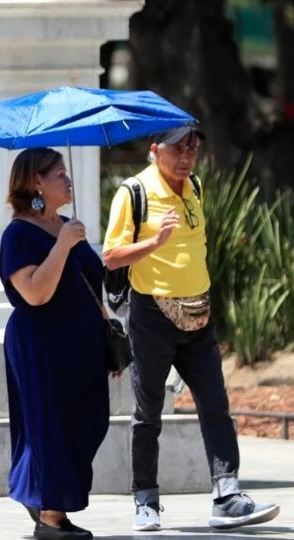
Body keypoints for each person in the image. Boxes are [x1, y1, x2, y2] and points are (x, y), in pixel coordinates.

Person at [103, 127, 281, 531]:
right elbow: (112, 257)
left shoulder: (194, 186)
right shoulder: (133, 193)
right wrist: (154, 242)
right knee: (148, 412)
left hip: (199, 314)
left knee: (215, 404)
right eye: (177, 147)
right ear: (154, 150)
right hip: (151, 315)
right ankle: (146, 500)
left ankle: (227, 496)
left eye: (193, 147)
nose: (187, 156)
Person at [0, 148, 109, 540]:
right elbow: (34, 293)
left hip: (81, 345)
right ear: (36, 183)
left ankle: (47, 502)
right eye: (58, 174)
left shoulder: (66, 225)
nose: (68, 179)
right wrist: (62, 244)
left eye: (66, 172)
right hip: (40, 346)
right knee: (50, 427)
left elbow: (94, 282)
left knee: (87, 422)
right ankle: (50, 514)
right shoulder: (19, 234)